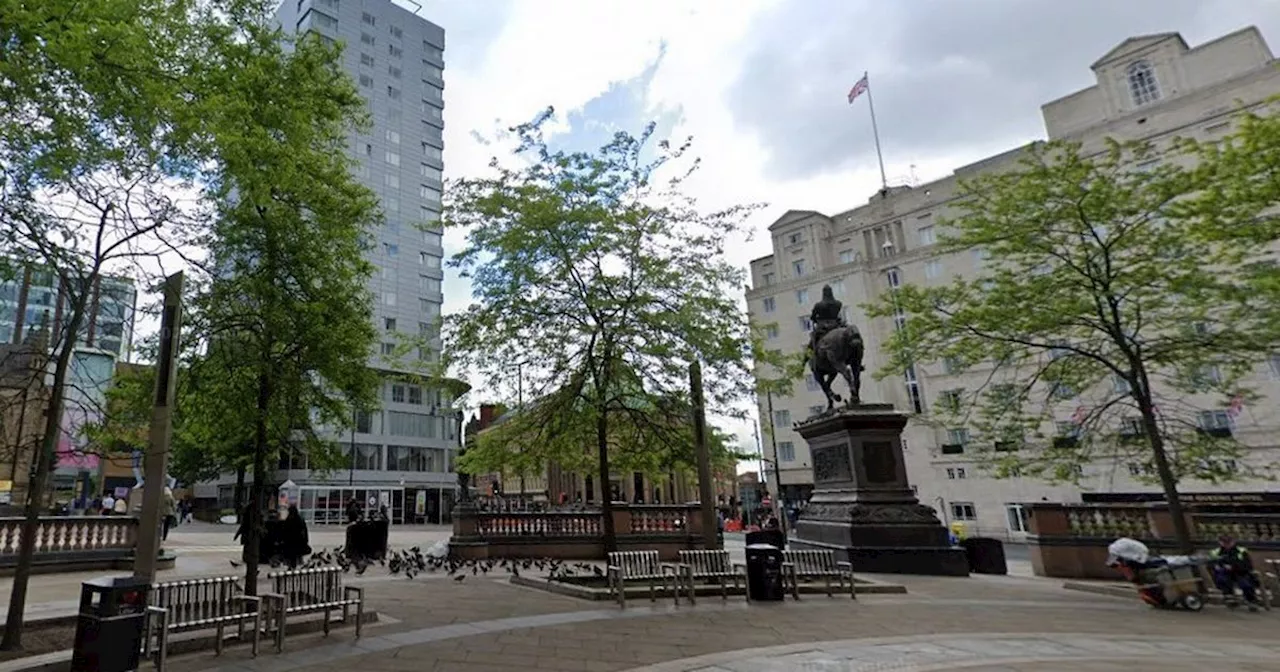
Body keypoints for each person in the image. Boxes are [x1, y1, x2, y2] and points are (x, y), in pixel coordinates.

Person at [1210, 534, 1261, 610]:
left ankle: (1251, 600)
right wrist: (1220, 567)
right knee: (1222, 579)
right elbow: (1212, 565)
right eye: (1224, 542)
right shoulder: (1216, 552)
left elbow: (1248, 565)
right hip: (1225, 573)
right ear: (1220, 542)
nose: (1227, 544)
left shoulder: (1241, 551)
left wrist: (1233, 567)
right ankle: (1229, 598)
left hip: (1240, 572)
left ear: (1233, 542)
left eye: (1229, 542)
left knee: (1245, 584)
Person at [808, 285, 848, 356]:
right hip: (836, 325)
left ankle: (804, 362)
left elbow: (812, 317)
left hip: (823, 327)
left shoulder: (818, 305)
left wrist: (816, 319)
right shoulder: (838, 303)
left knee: (812, 343)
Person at [280, 505, 311, 569]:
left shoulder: (289, 519)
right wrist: (305, 540)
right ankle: (293, 567)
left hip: (290, 542)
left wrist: (283, 539)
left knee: (291, 556)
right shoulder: (299, 519)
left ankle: (291, 567)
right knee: (294, 556)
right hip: (297, 542)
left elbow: (284, 530)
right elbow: (304, 531)